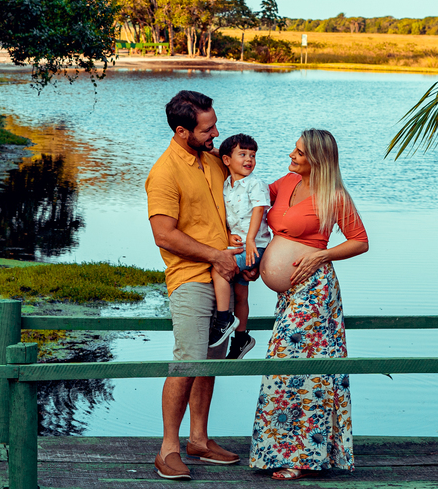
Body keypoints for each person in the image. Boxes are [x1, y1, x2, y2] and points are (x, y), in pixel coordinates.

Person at [249, 129, 369, 481]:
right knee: (286, 366)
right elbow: (251, 195)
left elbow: (360, 241)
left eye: (299, 152)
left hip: (315, 291)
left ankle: (301, 456)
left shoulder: (334, 195)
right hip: (288, 295)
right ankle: (280, 452)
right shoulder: (285, 183)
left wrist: (322, 255)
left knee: (295, 366)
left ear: (316, 159)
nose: (292, 154)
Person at [145, 90, 244, 481]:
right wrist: (216, 255)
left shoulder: (213, 162)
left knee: (211, 363)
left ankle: (199, 440)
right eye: (208, 128)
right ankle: (168, 448)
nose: (216, 133)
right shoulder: (164, 172)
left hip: (225, 276)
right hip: (190, 278)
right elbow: (163, 234)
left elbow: (237, 205)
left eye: (215, 124)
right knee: (187, 360)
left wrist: (240, 251)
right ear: (183, 130)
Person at [210, 132, 271, 359]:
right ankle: (241, 337)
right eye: (243, 154)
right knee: (241, 294)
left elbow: (258, 209)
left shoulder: (255, 183)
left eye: (253, 155)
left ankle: (224, 319)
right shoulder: (227, 184)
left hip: (255, 246)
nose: (249, 160)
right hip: (238, 244)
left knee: (219, 269)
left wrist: (250, 239)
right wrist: (228, 234)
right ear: (227, 160)